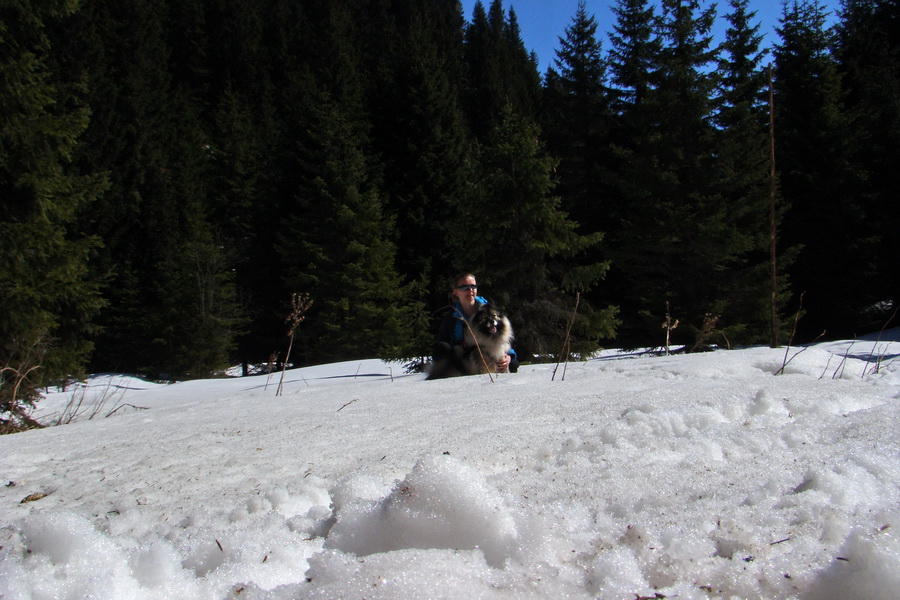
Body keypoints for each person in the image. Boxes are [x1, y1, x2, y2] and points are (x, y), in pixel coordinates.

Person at [433, 272, 518, 373]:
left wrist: (509, 356)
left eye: (473, 286)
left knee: (513, 364)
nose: (470, 291)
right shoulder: (451, 318)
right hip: (464, 357)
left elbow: (504, 335)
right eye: (465, 287)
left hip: (493, 353)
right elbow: (441, 346)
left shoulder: (490, 309)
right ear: (456, 292)